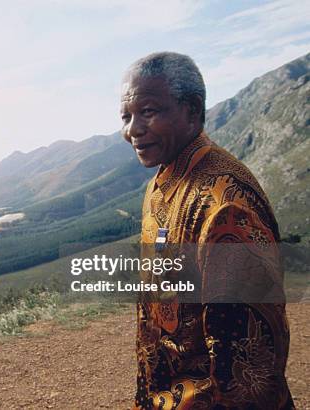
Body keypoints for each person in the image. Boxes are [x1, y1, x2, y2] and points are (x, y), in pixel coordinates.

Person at [120, 52, 294, 409]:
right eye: (126, 116)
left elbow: (249, 371)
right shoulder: (161, 184)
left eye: (149, 111)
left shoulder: (226, 205)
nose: (133, 129)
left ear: (192, 110)